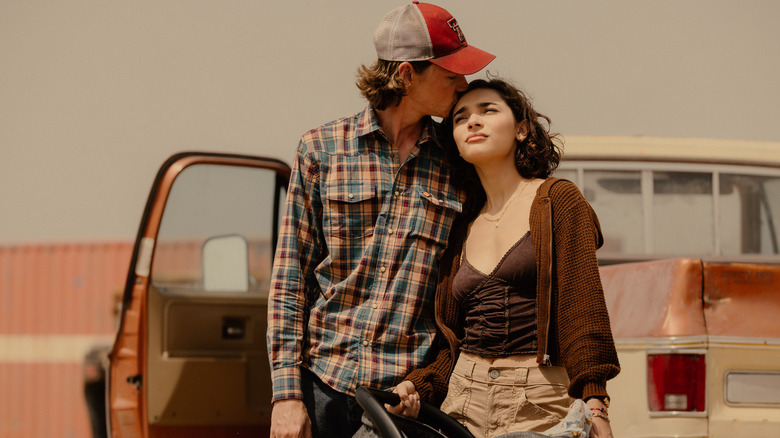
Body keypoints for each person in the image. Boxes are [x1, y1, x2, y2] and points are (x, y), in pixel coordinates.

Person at [266, 2, 495, 437]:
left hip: (405, 401)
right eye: (451, 74)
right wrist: (286, 395)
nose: (464, 85)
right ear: (407, 75)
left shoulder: (460, 164)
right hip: (321, 387)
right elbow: (289, 281)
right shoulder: (321, 149)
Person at [389, 78, 620, 438]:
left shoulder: (557, 199)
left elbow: (583, 309)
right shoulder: (461, 221)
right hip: (462, 404)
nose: (473, 121)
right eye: (460, 117)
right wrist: (418, 386)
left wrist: (595, 404)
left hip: (541, 403)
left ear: (522, 129)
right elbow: (452, 342)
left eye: (488, 110)